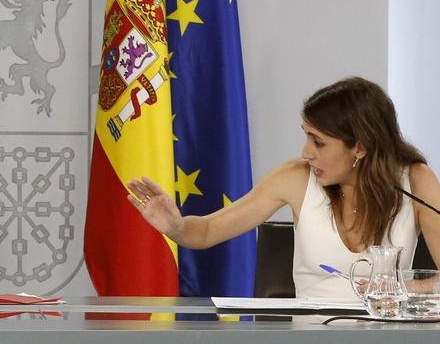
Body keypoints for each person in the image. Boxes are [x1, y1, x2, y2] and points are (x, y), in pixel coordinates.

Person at [128, 77, 440, 298]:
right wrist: (177, 227)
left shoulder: (415, 181)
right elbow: (208, 231)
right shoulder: (294, 178)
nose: (306, 152)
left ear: (359, 147)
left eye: (318, 142)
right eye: (306, 136)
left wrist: (405, 288)